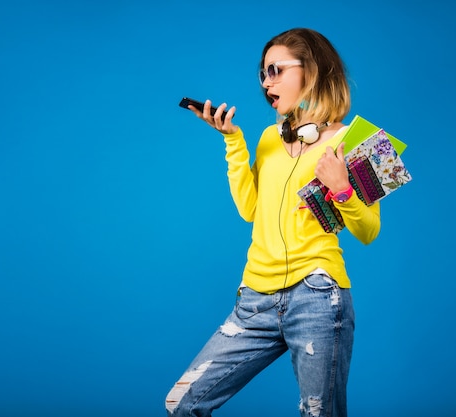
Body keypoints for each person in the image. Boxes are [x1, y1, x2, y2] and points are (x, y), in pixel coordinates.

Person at [165, 28, 381, 417]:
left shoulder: (359, 142)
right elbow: (250, 209)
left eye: (276, 70)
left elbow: (368, 231)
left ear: (311, 71)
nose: (267, 82)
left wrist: (342, 190)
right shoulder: (268, 138)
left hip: (317, 297)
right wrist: (233, 140)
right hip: (255, 300)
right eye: (263, 74)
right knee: (182, 403)